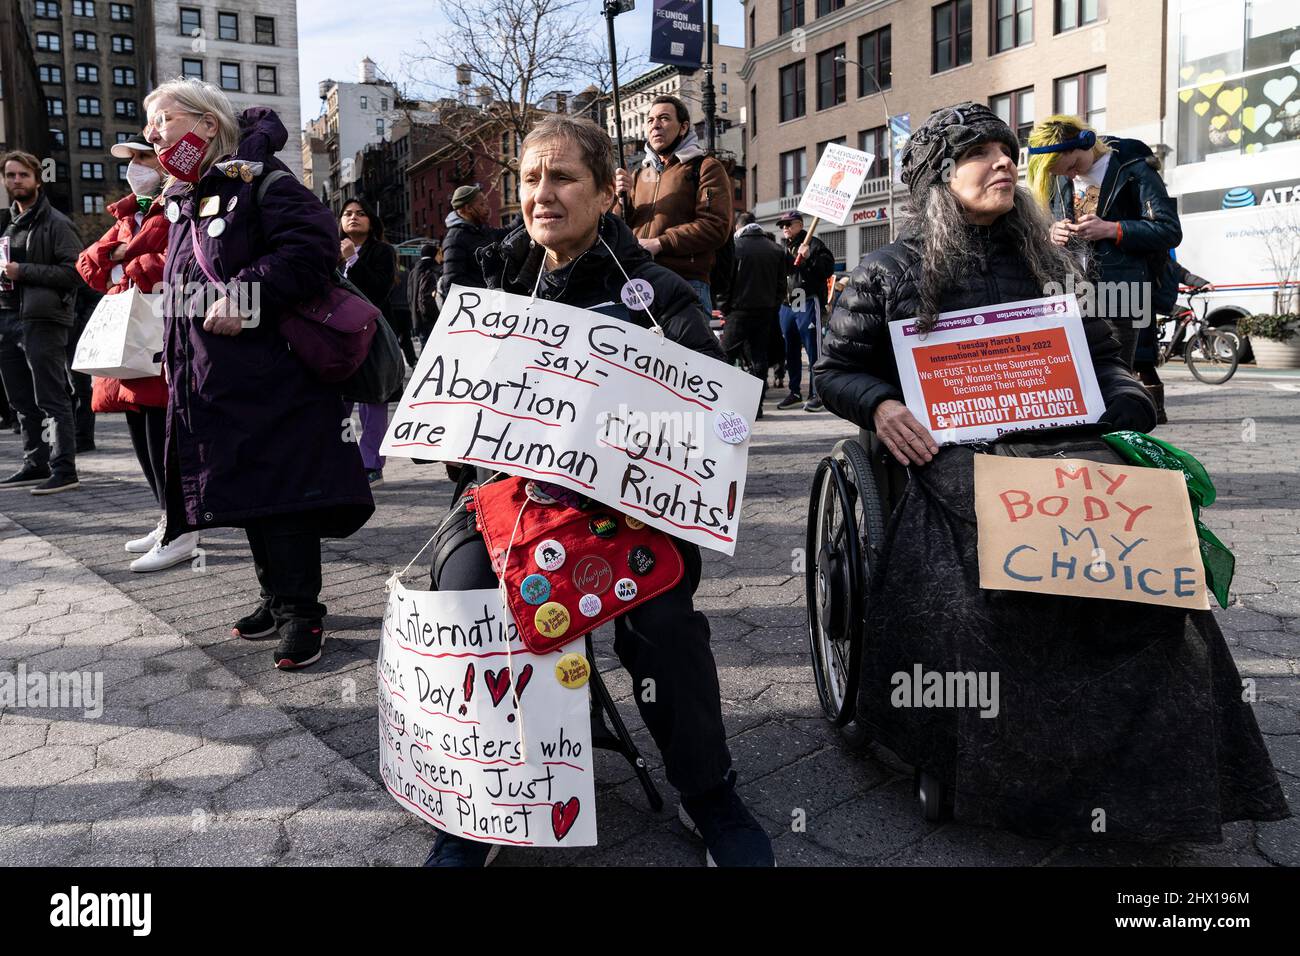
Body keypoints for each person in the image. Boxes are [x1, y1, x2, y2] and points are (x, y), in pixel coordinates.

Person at [815, 103, 1287, 843]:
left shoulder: (1051, 265)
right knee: (983, 580)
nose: (1006, 163)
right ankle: (983, 760)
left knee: (1154, 568)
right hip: (949, 457)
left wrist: (1127, 400)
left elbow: (1106, 361)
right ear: (942, 177)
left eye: (1009, 152)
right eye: (983, 154)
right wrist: (878, 406)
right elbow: (835, 371)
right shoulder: (886, 274)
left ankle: (1161, 773)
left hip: (1068, 446)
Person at [422, 115, 773, 868]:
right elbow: (452, 405)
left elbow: (723, 414)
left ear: (608, 189)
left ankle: (708, 791)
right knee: (464, 591)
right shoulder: (488, 275)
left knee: (663, 616)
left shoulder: (655, 291)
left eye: (562, 177)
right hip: (506, 501)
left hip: (621, 507)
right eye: (528, 179)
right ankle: (481, 805)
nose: (541, 194)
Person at [144, 78, 374, 670]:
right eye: (150, 125)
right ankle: (274, 599)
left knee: (285, 493)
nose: (153, 135)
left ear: (206, 125)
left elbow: (312, 249)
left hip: (277, 376)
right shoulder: (188, 194)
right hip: (216, 378)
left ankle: (303, 612)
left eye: (163, 121)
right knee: (247, 488)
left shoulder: (262, 181)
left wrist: (246, 293)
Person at [77, 132, 201, 571]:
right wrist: (126, 254)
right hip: (134, 339)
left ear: (165, 161)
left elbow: (168, 266)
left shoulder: (181, 203)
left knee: (161, 436)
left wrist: (122, 260)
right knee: (140, 432)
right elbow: (87, 265)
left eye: (144, 156)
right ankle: (168, 517)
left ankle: (183, 529)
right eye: (130, 159)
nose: (135, 166)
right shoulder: (132, 214)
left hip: (163, 333)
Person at [1027, 115, 1182, 370]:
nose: (1072, 175)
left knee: (1117, 379)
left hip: (1122, 295)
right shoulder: (1057, 175)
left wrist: (1112, 229)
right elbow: (1040, 228)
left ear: (1085, 142)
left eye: (1073, 165)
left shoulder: (1133, 167)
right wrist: (1052, 231)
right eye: (1063, 173)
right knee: (1078, 376)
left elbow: (1169, 230)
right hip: (1070, 292)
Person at [0, 150, 87, 494]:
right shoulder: (10, 225)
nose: (16, 181)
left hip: (44, 319)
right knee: (20, 398)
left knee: (51, 397)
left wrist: (23, 272)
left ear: (37, 179)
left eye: (23, 175)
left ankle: (64, 468)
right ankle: (34, 462)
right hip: (8, 318)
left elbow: (76, 272)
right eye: (10, 175)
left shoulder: (57, 224)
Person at [612, 95, 732, 312]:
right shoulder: (638, 174)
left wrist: (660, 243)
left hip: (686, 282)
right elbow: (618, 227)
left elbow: (716, 226)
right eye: (650, 120)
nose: (655, 125)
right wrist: (622, 201)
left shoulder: (706, 167)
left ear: (683, 127)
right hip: (638, 283)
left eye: (664, 118)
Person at [339, 197, 397, 486]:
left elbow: (378, 290)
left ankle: (371, 463)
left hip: (372, 337)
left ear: (371, 222)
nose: (353, 218)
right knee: (339, 406)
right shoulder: (327, 252)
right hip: (337, 339)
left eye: (361, 213)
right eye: (348, 213)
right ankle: (342, 458)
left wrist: (353, 259)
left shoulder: (382, 252)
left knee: (373, 402)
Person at [722, 210, 784, 417]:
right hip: (765, 311)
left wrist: (724, 307)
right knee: (759, 358)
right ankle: (756, 407)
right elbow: (781, 287)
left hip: (738, 311)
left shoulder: (735, 247)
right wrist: (772, 306)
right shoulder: (775, 249)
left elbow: (726, 283)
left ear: (738, 227)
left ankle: (723, 402)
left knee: (725, 356)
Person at [774, 210, 834, 413]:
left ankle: (818, 393)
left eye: (789, 224)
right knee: (790, 348)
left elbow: (828, 270)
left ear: (800, 225)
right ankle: (795, 392)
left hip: (807, 300)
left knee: (813, 349)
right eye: (782, 225)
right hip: (787, 303)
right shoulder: (781, 248)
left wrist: (809, 258)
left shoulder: (814, 244)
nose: (785, 228)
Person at [437, 184, 510, 298]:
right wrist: (490, 292)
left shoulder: (483, 230)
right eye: (482, 204)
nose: (487, 208)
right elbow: (453, 282)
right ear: (468, 208)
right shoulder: (454, 238)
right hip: (477, 310)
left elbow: (507, 231)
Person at [406, 241, 440, 345]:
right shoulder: (436, 269)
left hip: (418, 315)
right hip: (434, 315)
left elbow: (409, 295)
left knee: (424, 344)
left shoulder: (413, 271)